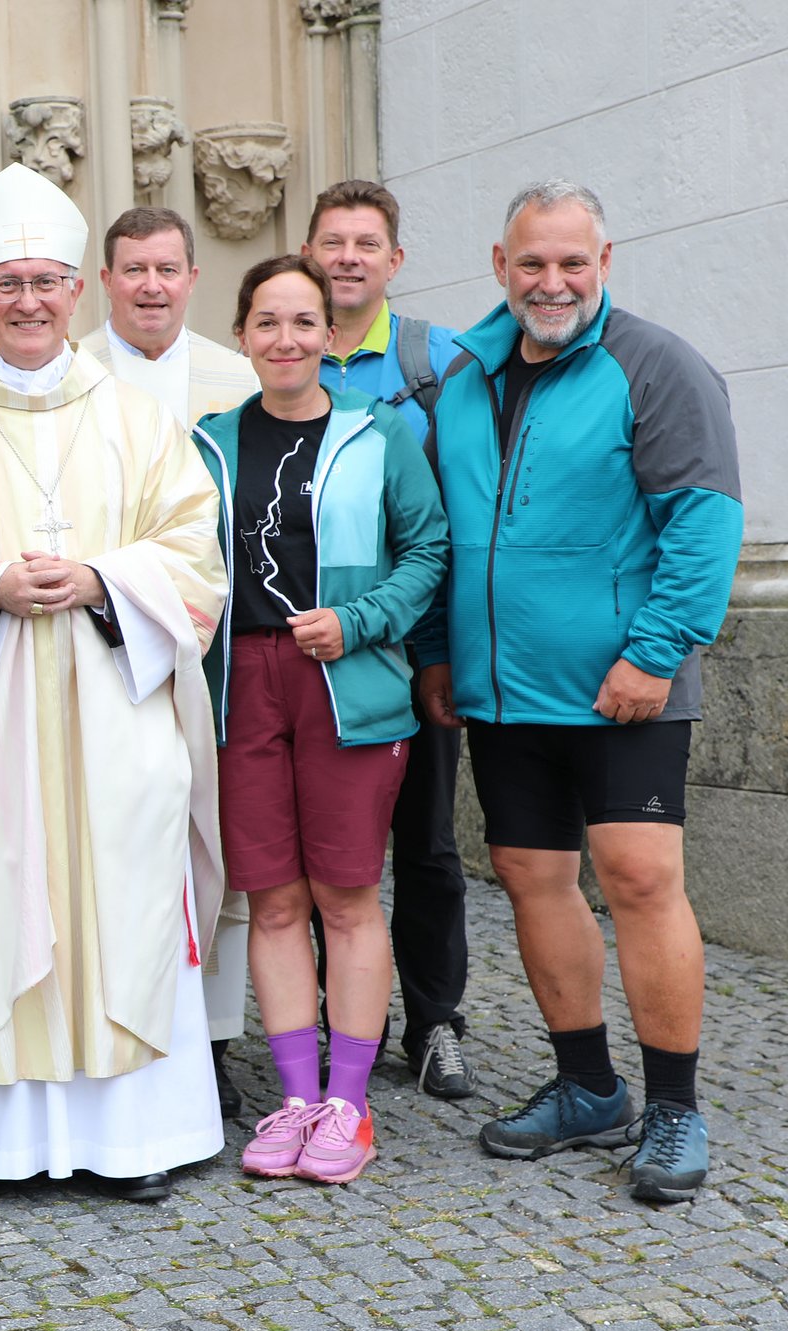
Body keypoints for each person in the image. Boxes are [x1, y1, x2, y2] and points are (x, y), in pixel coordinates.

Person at [0, 163, 229, 1203]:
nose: (26, 300)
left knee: (128, 905)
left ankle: (134, 1139)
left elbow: (195, 554)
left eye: (45, 281)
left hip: (114, 715)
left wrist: (106, 577)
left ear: (76, 291)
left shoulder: (144, 423)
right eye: (6, 281)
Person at [413, 181, 742, 1203]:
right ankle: (586, 1083)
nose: (549, 281)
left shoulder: (655, 365)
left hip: (621, 686)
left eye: (570, 262)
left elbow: (701, 522)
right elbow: (435, 531)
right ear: (497, 264)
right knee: (526, 872)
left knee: (639, 876)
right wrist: (435, 650)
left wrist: (652, 653)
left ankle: (674, 1107)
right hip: (504, 690)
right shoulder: (459, 380)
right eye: (530, 263)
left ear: (605, 258)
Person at [193, 254, 447, 1185]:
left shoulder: (378, 437)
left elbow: (428, 549)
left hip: (346, 684)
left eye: (305, 323)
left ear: (332, 338)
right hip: (242, 687)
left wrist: (362, 620)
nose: (287, 339)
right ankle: (295, 1099)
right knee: (271, 899)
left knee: (344, 896)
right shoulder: (207, 444)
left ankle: (350, 1104)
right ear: (243, 336)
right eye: (268, 323)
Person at [75, 206, 259, 1119]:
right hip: (95, 659)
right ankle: (105, 1022)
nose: (151, 285)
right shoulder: (61, 376)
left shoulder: (238, 381)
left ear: (193, 279)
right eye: (133, 268)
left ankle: (211, 1040)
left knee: (211, 842)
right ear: (103, 280)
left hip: (220, 653)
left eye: (168, 269)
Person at [302, 179, 476, 1099]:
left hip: (410, 651)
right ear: (308, 252)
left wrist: (441, 652)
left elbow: (450, 520)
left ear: (394, 260)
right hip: (314, 658)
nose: (348, 259)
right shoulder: (281, 352)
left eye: (367, 244)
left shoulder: (438, 364)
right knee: (332, 849)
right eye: (333, 242)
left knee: (428, 845)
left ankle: (437, 1019)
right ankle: (344, 1017)